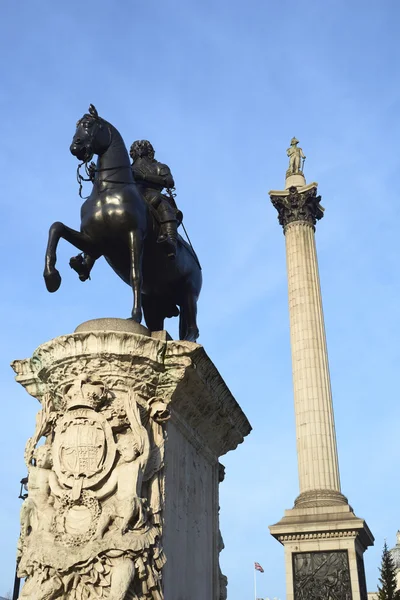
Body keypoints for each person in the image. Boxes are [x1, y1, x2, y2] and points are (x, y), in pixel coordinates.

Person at [130, 140, 180, 259]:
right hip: (131, 197)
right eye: (135, 147)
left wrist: (143, 177)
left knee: (164, 206)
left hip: (152, 195)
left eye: (141, 146)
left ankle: (171, 242)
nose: (137, 149)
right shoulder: (127, 168)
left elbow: (169, 181)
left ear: (148, 150)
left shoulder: (159, 166)